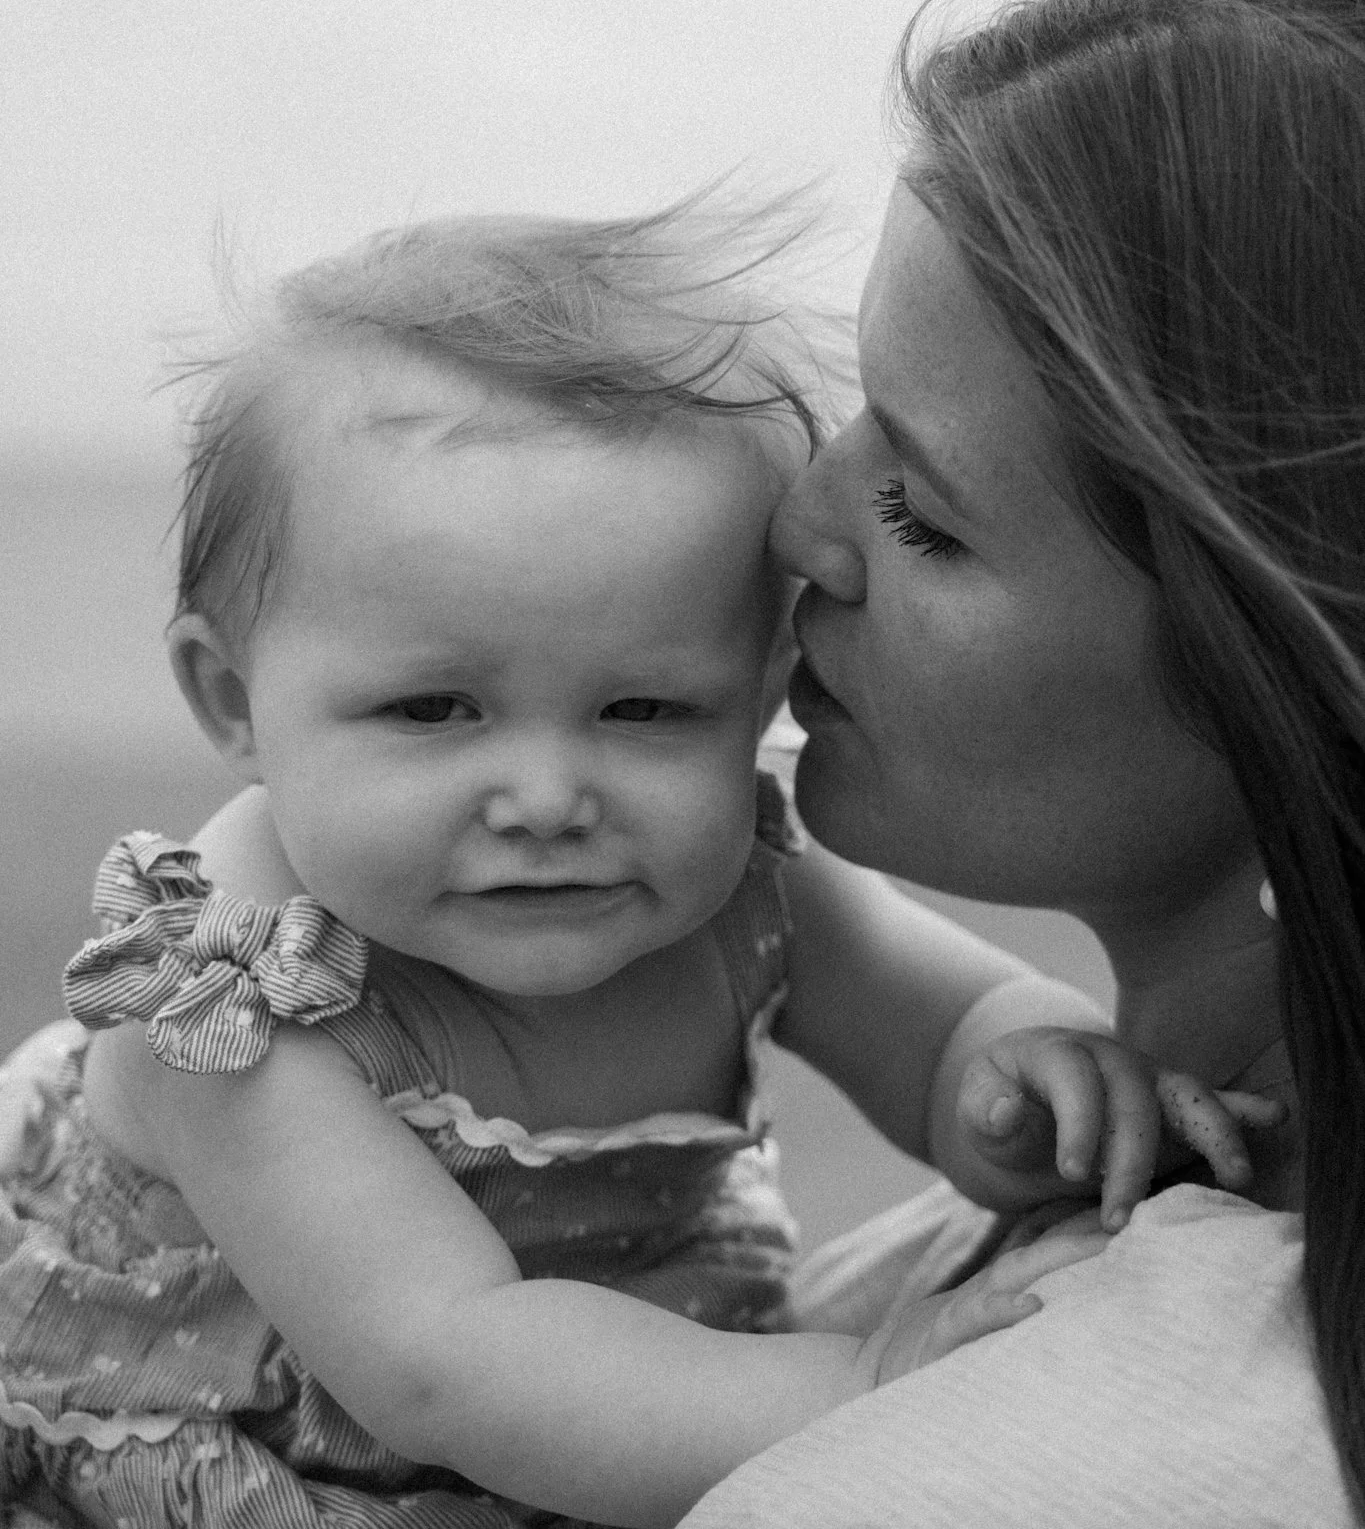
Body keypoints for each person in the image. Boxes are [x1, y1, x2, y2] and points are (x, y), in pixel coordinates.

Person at [0, 205, 1264, 1529]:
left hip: (636, 1409)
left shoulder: (746, 883)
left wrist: (1033, 1091)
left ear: (766, 690)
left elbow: (950, 1030)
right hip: (287, 1455)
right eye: (433, 710)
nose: (549, 800)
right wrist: (864, 1384)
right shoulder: (230, 1005)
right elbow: (445, 1359)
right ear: (232, 700)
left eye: (645, 711)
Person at [681, 0, 1365, 1528]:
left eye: (923, 516)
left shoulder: (1028, 1471)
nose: (798, 526)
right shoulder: (1089, 1250)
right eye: (851, 411)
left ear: (1292, 673)